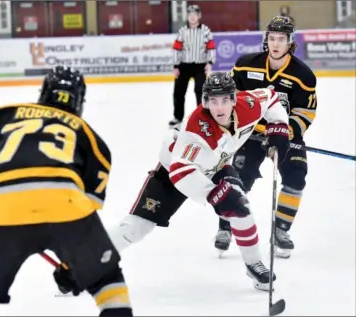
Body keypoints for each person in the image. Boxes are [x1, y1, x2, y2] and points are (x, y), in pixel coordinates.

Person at [0, 66, 133, 317]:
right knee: (108, 281)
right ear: (79, 99)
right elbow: (88, 205)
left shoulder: (8, 113)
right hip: (65, 206)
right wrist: (73, 266)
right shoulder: (91, 137)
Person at [108, 71, 290, 291]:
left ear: (234, 99)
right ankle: (85, 263)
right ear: (205, 102)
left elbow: (271, 98)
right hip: (174, 173)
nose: (220, 108)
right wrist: (214, 195)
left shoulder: (248, 105)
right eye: (213, 101)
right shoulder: (196, 128)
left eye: (225, 100)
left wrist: (279, 127)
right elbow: (179, 171)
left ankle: (254, 265)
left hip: (217, 166)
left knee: (241, 207)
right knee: (136, 228)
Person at [214, 16, 317, 259]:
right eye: (272, 38)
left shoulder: (303, 75)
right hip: (250, 135)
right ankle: (226, 227)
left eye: (281, 39)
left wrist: (285, 131)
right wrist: (235, 126)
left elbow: (306, 112)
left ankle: (281, 230)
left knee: (296, 176)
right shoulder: (245, 65)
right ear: (266, 40)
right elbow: (231, 99)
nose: (275, 44)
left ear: (290, 42)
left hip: (284, 135)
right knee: (237, 178)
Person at [169, 4, 216, 129]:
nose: (193, 17)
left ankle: (202, 116)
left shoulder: (205, 30)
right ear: (187, 16)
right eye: (190, 15)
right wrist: (175, 66)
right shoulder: (182, 31)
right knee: (178, 92)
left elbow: (210, 47)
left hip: (200, 66)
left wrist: (209, 63)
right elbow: (177, 49)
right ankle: (178, 117)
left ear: (199, 16)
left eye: (195, 15)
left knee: (200, 92)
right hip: (184, 66)